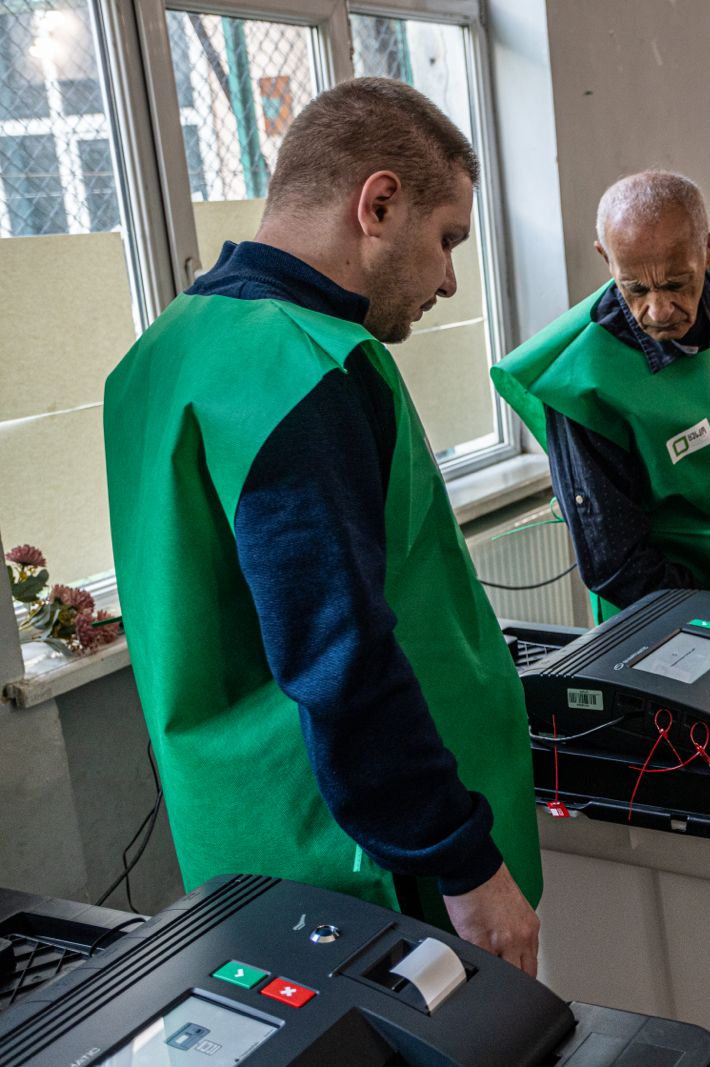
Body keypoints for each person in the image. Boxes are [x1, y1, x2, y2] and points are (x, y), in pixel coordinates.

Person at [103, 79, 543, 975]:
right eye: (447, 238)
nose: (451, 280)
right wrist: (461, 858)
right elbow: (341, 655)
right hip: (373, 862)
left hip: (244, 839)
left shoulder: (163, 352)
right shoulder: (304, 368)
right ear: (377, 204)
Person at [493, 172, 710, 621]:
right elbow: (616, 562)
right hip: (661, 614)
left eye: (677, 283)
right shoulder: (583, 380)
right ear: (605, 258)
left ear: (709, 248)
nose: (658, 310)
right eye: (635, 287)